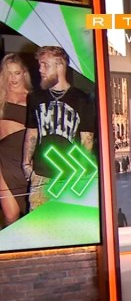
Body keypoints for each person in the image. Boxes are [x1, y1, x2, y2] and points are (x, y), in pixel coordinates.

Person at [22, 46, 95, 211]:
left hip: (69, 175)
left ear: (60, 66)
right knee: (38, 223)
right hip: (41, 174)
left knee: (65, 223)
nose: (40, 69)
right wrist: (26, 163)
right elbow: (32, 132)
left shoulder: (82, 99)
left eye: (45, 65)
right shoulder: (35, 97)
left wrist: (80, 174)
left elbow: (87, 139)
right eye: (40, 64)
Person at [0, 54, 31, 225]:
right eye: (9, 73)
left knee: (29, 211)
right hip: (3, 158)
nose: (13, 78)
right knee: (11, 214)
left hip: (23, 157)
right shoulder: (0, 96)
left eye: (17, 73)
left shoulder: (32, 98)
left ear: (24, 73)